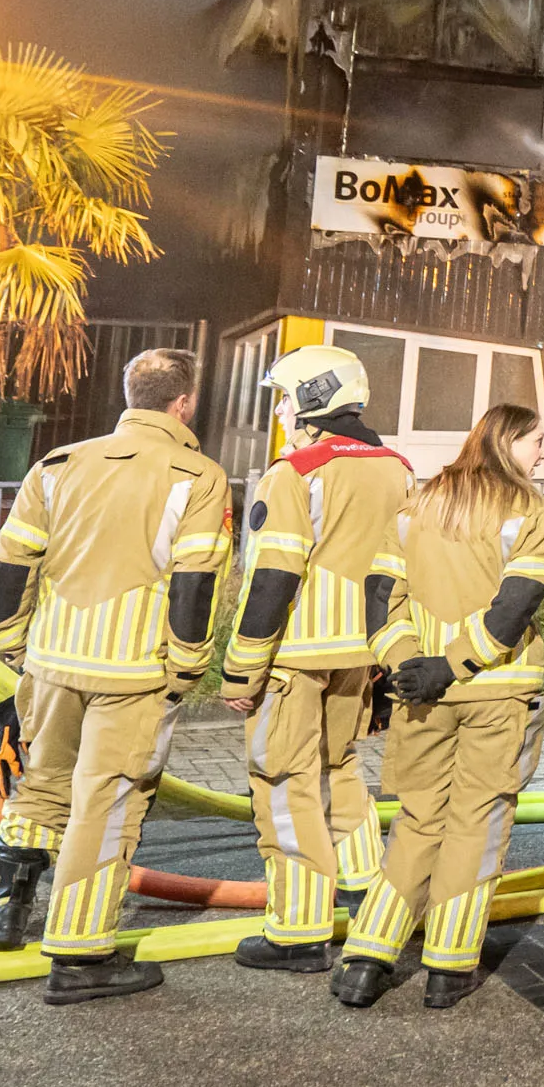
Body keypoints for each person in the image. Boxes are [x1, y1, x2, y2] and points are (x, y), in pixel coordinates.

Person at [0, 348, 232, 1002]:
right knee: (108, 804)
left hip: (52, 663)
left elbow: (11, 562)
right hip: (134, 670)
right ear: (186, 402)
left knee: (44, 786)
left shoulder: (58, 465)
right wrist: (188, 665)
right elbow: (195, 582)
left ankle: (4, 911)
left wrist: (11, 647)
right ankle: (82, 956)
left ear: (131, 394)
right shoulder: (196, 475)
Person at [332, 402, 544, 1010]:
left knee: (417, 823)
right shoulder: (531, 512)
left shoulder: (420, 503)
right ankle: (448, 967)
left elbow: (380, 596)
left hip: (422, 697)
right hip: (496, 692)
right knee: (475, 825)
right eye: (537, 441)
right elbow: (513, 610)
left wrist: (411, 665)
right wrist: (455, 664)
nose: (542, 452)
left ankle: (366, 958)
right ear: (509, 442)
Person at [219, 343, 413, 972]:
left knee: (283, 781)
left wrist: (243, 668)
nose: (280, 409)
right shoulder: (397, 468)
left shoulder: (295, 472)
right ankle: (361, 888)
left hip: (295, 655)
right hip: (361, 652)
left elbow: (272, 577)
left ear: (312, 398)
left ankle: (298, 931)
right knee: (342, 765)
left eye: (284, 396)